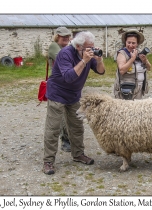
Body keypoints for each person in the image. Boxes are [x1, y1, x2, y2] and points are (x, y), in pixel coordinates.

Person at [43, 30, 105, 175]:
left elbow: (101, 72)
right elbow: (69, 77)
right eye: (89, 47)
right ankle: (48, 161)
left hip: (74, 95)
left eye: (93, 46)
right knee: (53, 128)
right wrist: (84, 61)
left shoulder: (87, 54)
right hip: (57, 93)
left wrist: (99, 59)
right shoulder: (65, 54)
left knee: (77, 126)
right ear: (78, 47)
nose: (91, 49)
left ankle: (78, 154)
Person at [48, 27, 72, 153]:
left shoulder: (67, 48)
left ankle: (70, 140)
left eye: (68, 36)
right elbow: (63, 60)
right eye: (63, 36)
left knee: (71, 114)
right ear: (57, 36)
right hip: (58, 86)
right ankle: (65, 141)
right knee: (62, 115)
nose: (66, 38)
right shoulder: (54, 46)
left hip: (69, 85)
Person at [114, 29, 151, 100]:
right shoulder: (122, 53)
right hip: (126, 89)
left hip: (139, 88)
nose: (131, 45)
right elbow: (121, 70)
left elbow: (149, 68)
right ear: (125, 42)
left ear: (137, 43)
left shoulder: (140, 52)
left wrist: (145, 60)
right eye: (129, 42)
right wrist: (132, 59)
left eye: (133, 43)